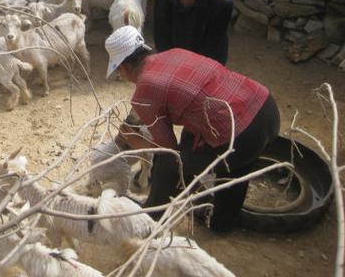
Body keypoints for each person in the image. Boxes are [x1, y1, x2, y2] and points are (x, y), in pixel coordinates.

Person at [105, 25, 280, 232]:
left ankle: (152, 216)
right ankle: (222, 221)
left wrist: (137, 142)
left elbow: (169, 152)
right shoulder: (174, 53)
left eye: (118, 71)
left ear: (123, 67)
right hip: (266, 110)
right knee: (219, 157)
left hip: (240, 136)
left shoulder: (144, 90)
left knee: (167, 163)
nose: (121, 75)